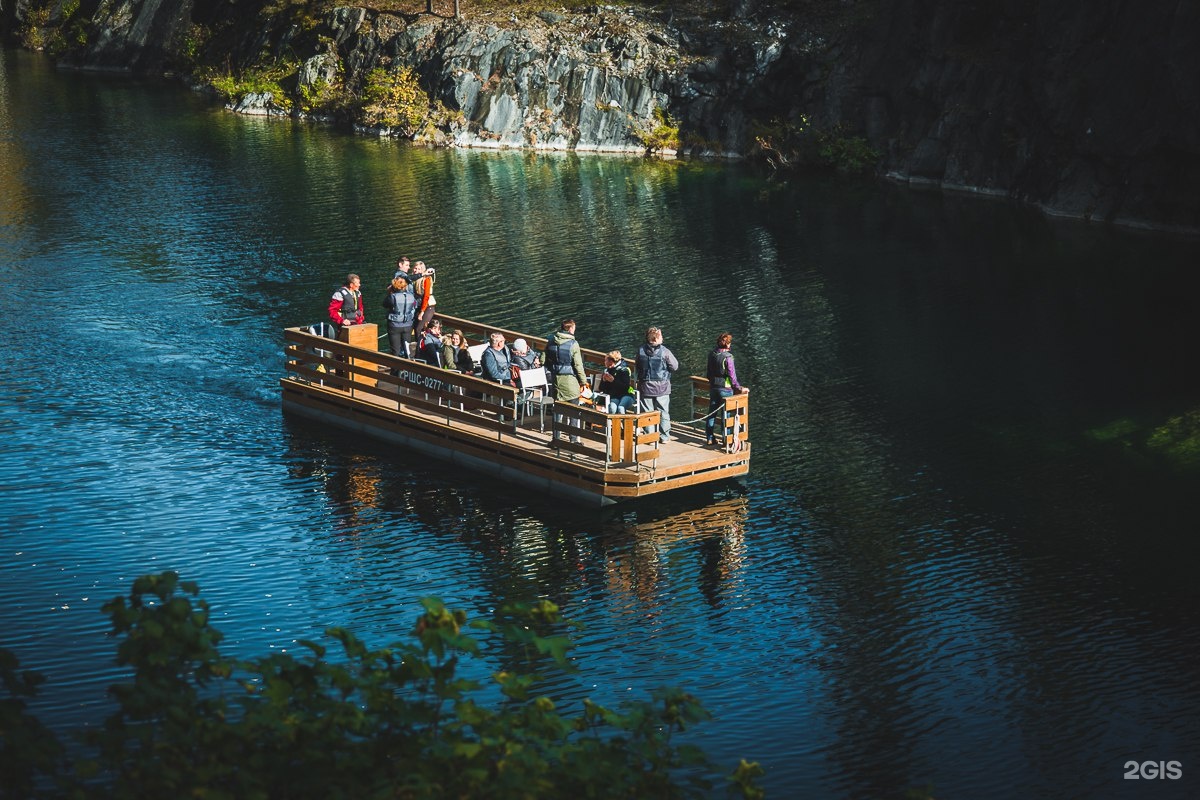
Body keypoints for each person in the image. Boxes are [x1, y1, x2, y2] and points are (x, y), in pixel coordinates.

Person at [543, 319, 588, 442]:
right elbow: (578, 365)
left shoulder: (551, 340)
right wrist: (583, 382)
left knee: (557, 411)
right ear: (570, 329)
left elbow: (543, 360)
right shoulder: (573, 344)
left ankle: (555, 440)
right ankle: (573, 439)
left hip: (556, 380)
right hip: (570, 381)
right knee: (574, 411)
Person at [636, 326, 679, 442]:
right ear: (655, 339)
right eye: (661, 336)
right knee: (663, 412)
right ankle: (664, 436)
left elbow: (638, 366)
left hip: (645, 386)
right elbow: (675, 366)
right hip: (662, 387)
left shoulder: (640, 350)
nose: (662, 338)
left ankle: (649, 436)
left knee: (647, 412)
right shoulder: (665, 351)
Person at [706, 332, 750, 446]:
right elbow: (732, 376)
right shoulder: (728, 357)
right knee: (727, 415)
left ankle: (710, 438)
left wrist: (712, 382)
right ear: (728, 344)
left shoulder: (712, 354)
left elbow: (708, 373)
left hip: (714, 387)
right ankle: (727, 440)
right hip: (725, 389)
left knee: (712, 413)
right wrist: (739, 388)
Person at [380, 272, 416, 358]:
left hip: (394, 325)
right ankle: (408, 369)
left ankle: (395, 371)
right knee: (407, 349)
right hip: (408, 325)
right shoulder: (411, 296)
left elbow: (384, 304)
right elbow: (414, 305)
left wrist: (389, 293)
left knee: (395, 351)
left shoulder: (392, 297)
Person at [410, 261, 437, 338]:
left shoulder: (426, 279)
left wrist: (422, 312)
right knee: (412, 327)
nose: (416, 270)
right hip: (418, 306)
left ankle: (421, 347)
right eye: (415, 268)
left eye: (419, 269)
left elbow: (426, 296)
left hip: (427, 307)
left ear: (423, 271)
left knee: (419, 329)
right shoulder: (412, 280)